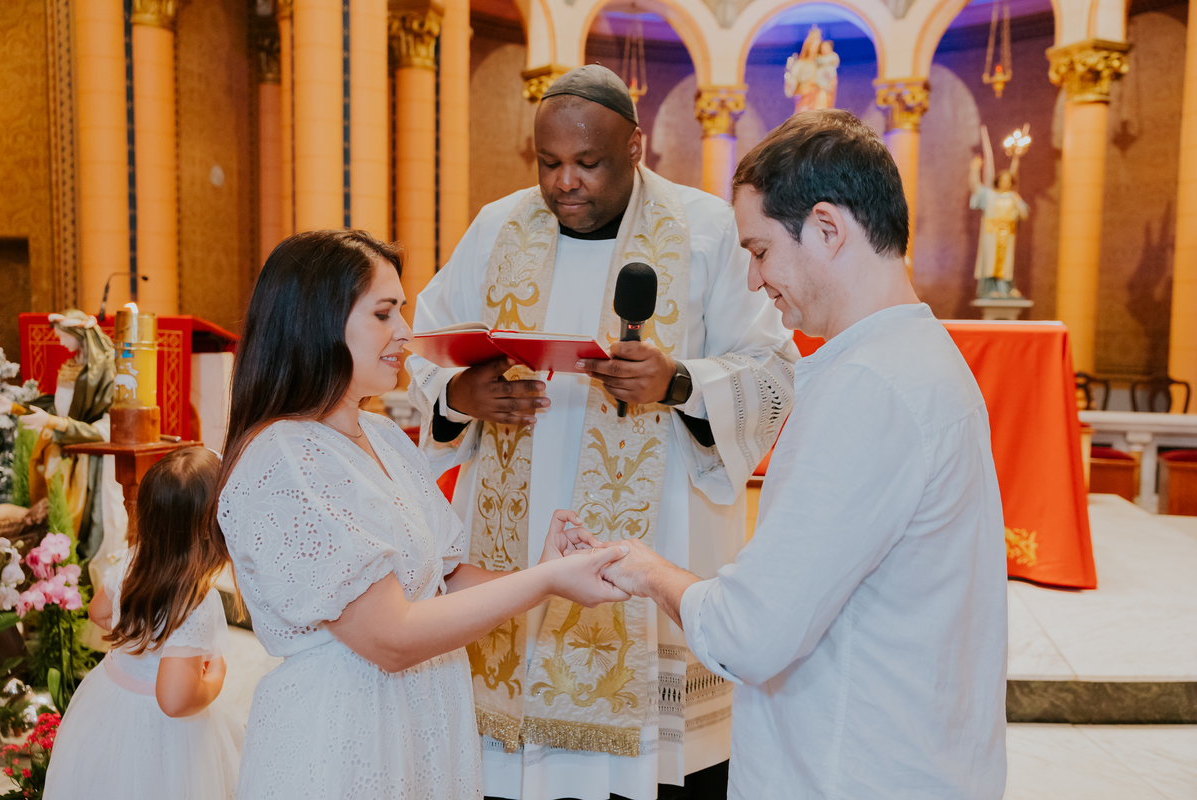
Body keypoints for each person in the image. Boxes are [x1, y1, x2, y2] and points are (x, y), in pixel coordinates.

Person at [405, 64, 798, 800]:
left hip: (656, 551)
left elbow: (774, 372)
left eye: (588, 163)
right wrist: (461, 394)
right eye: (549, 162)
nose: (565, 183)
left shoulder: (706, 230)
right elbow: (421, 348)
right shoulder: (497, 227)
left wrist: (676, 382)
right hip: (515, 542)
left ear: (635, 147)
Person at [600, 109, 1009, 799]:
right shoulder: (919, 356)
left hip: (852, 772)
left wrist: (647, 570)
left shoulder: (868, 385)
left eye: (760, 250)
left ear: (826, 228)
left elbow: (750, 634)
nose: (754, 279)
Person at [214, 229, 630, 800]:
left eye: (401, 312)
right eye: (383, 314)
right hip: (344, 738)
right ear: (317, 321)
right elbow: (390, 637)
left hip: (419, 725)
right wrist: (545, 583)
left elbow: (445, 581)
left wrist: (545, 570)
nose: (406, 332)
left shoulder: (383, 435)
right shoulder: (285, 456)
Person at [44, 446, 241, 800]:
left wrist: (139, 638)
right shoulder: (196, 600)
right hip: (162, 732)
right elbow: (173, 700)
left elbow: (99, 612)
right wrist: (215, 677)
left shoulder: (133, 559)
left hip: (109, 702)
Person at [0, 310, 128, 577]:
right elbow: (56, 408)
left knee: (92, 524)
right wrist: (14, 407)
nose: (60, 342)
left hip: (93, 458)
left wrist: (55, 423)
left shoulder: (105, 370)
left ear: (78, 334)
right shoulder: (73, 364)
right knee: (58, 517)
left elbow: (104, 427)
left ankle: (89, 581)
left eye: (63, 336)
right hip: (66, 455)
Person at [969, 156, 1029, 299]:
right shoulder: (989, 195)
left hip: (1007, 236)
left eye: (1008, 180)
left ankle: (1006, 289)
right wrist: (974, 170)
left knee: (1006, 264)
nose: (1005, 183)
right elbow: (976, 187)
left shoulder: (1013, 197)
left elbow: (1024, 214)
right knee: (990, 262)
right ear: (998, 181)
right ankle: (990, 289)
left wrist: (1019, 201)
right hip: (991, 235)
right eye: (1003, 180)